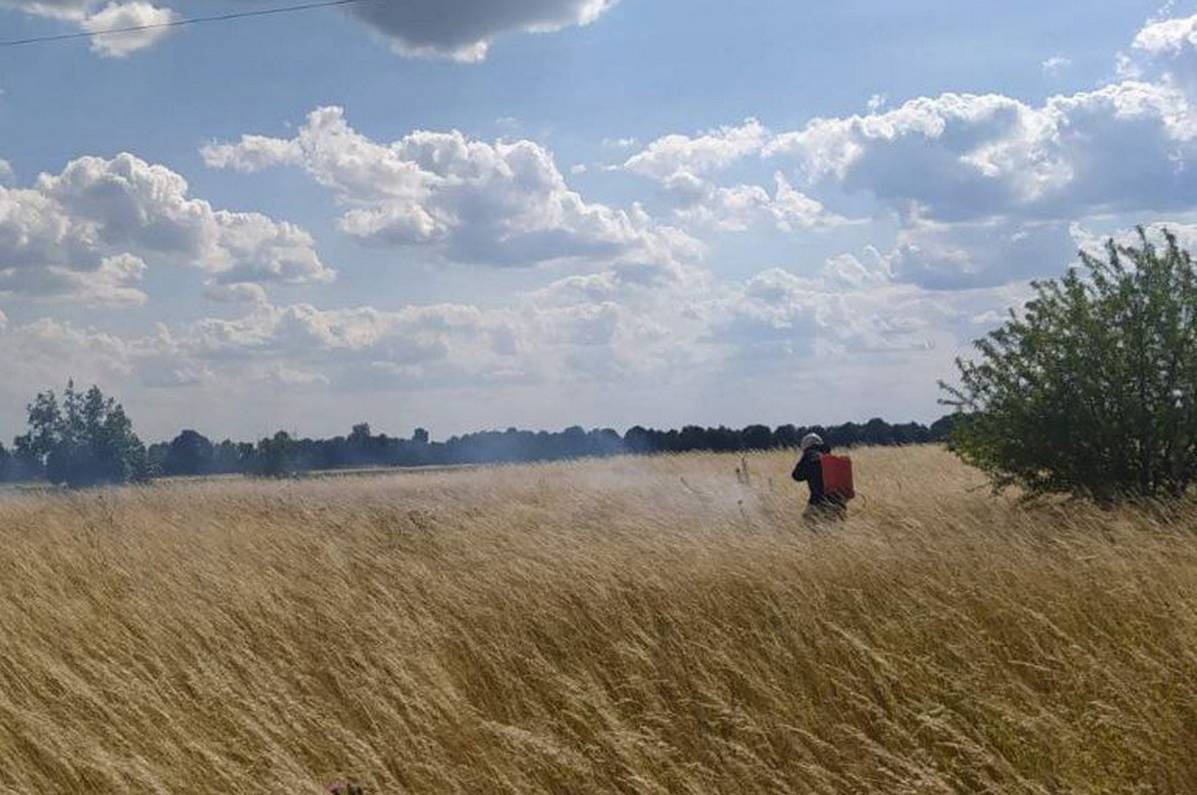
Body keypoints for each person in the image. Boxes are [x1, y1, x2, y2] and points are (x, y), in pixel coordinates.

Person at [791, 433, 846, 523]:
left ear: (805, 445)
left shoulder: (809, 455)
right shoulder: (828, 457)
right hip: (839, 502)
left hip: (818, 501)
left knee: (808, 525)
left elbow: (796, 476)